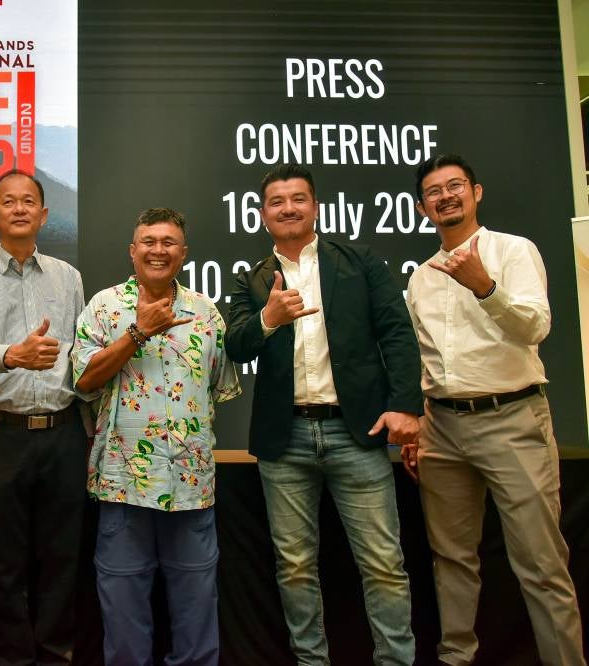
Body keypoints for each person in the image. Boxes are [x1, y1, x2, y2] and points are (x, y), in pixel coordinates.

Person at [225, 164, 422, 665]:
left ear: (314, 206)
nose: (288, 208)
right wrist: (268, 319)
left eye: (298, 199)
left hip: (355, 433)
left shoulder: (360, 262)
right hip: (283, 438)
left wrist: (403, 406)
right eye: (276, 201)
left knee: (383, 564)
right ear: (262, 213)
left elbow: (397, 334)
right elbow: (235, 345)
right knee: (294, 567)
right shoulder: (250, 278)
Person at [407, 154, 585, 666]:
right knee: (451, 560)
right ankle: (456, 657)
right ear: (423, 208)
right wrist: (420, 423)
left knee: (542, 564)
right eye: (434, 192)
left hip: (512, 420)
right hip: (441, 428)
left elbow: (536, 327)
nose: (446, 197)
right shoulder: (421, 277)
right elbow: (428, 359)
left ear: (476, 192)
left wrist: (484, 285)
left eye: (455, 186)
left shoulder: (512, 251)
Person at [71, 207, 240, 665]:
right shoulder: (104, 308)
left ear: (183, 253)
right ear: (132, 251)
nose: (158, 250)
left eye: (168, 242)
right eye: (149, 241)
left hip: (191, 486)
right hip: (124, 484)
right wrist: (137, 333)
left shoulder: (206, 312)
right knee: (123, 616)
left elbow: (219, 387)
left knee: (197, 611)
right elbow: (83, 381)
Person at [0, 169, 86, 665]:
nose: (20, 208)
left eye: (29, 201)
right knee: (3, 562)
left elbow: (82, 352)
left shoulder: (68, 278)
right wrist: (14, 355)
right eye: (9, 202)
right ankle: (12, 658)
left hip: (62, 433)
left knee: (61, 557)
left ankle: (55, 655)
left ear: (44, 215)